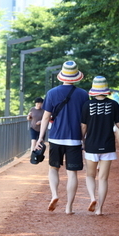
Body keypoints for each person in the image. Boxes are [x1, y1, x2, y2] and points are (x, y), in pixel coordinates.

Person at [36, 61, 89, 214]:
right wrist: (83, 139)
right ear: (76, 77)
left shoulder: (52, 93)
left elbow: (45, 118)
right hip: (74, 138)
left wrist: (41, 138)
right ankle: (69, 207)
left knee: (53, 168)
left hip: (56, 138)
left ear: (62, 76)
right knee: (72, 173)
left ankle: (54, 194)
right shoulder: (83, 94)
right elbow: (84, 122)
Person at [81, 76, 119, 215]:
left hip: (91, 145)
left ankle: (92, 198)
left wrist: (81, 141)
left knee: (90, 176)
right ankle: (100, 209)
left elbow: (83, 127)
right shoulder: (114, 104)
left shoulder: (86, 105)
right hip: (107, 145)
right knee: (103, 179)